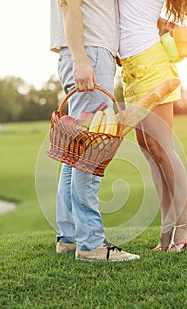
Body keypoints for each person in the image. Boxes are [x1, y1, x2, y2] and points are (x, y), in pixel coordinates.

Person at [50, 0, 140, 261]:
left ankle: (70, 236)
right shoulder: (85, 55)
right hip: (89, 53)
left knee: (76, 152)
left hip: (91, 52)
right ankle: (91, 243)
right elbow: (69, 5)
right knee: (91, 151)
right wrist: (81, 60)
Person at [118, 0, 187, 252]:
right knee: (148, 149)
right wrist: (160, 22)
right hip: (131, 69)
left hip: (151, 64)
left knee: (162, 147)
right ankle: (168, 227)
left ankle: (186, 221)